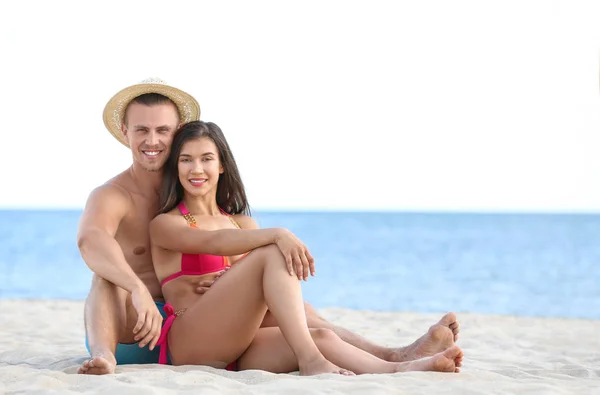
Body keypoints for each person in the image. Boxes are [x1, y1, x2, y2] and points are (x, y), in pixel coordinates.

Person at [77, 78, 460, 375]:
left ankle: (396, 358)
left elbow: (235, 249)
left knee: (311, 324)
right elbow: (91, 241)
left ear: (179, 135)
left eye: (163, 131)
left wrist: (229, 281)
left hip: (221, 330)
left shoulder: (209, 201)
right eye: (141, 130)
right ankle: (102, 356)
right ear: (125, 133)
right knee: (104, 278)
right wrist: (137, 290)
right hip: (138, 331)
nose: (152, 140)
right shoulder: (120, 198)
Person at [148, 120, 464, 375]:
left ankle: (399, 362)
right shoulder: (166, 224)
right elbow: (210, 242)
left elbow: (260, 293)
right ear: (175, 167)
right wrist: (279, 234)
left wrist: (234, 283)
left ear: (221, 167)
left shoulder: (243, 225)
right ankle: (311, 360)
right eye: (186, 160)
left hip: (241, 348)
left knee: (319, 332)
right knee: (272, 252)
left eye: (206, 159)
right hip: (193, 342)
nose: (196, 169)